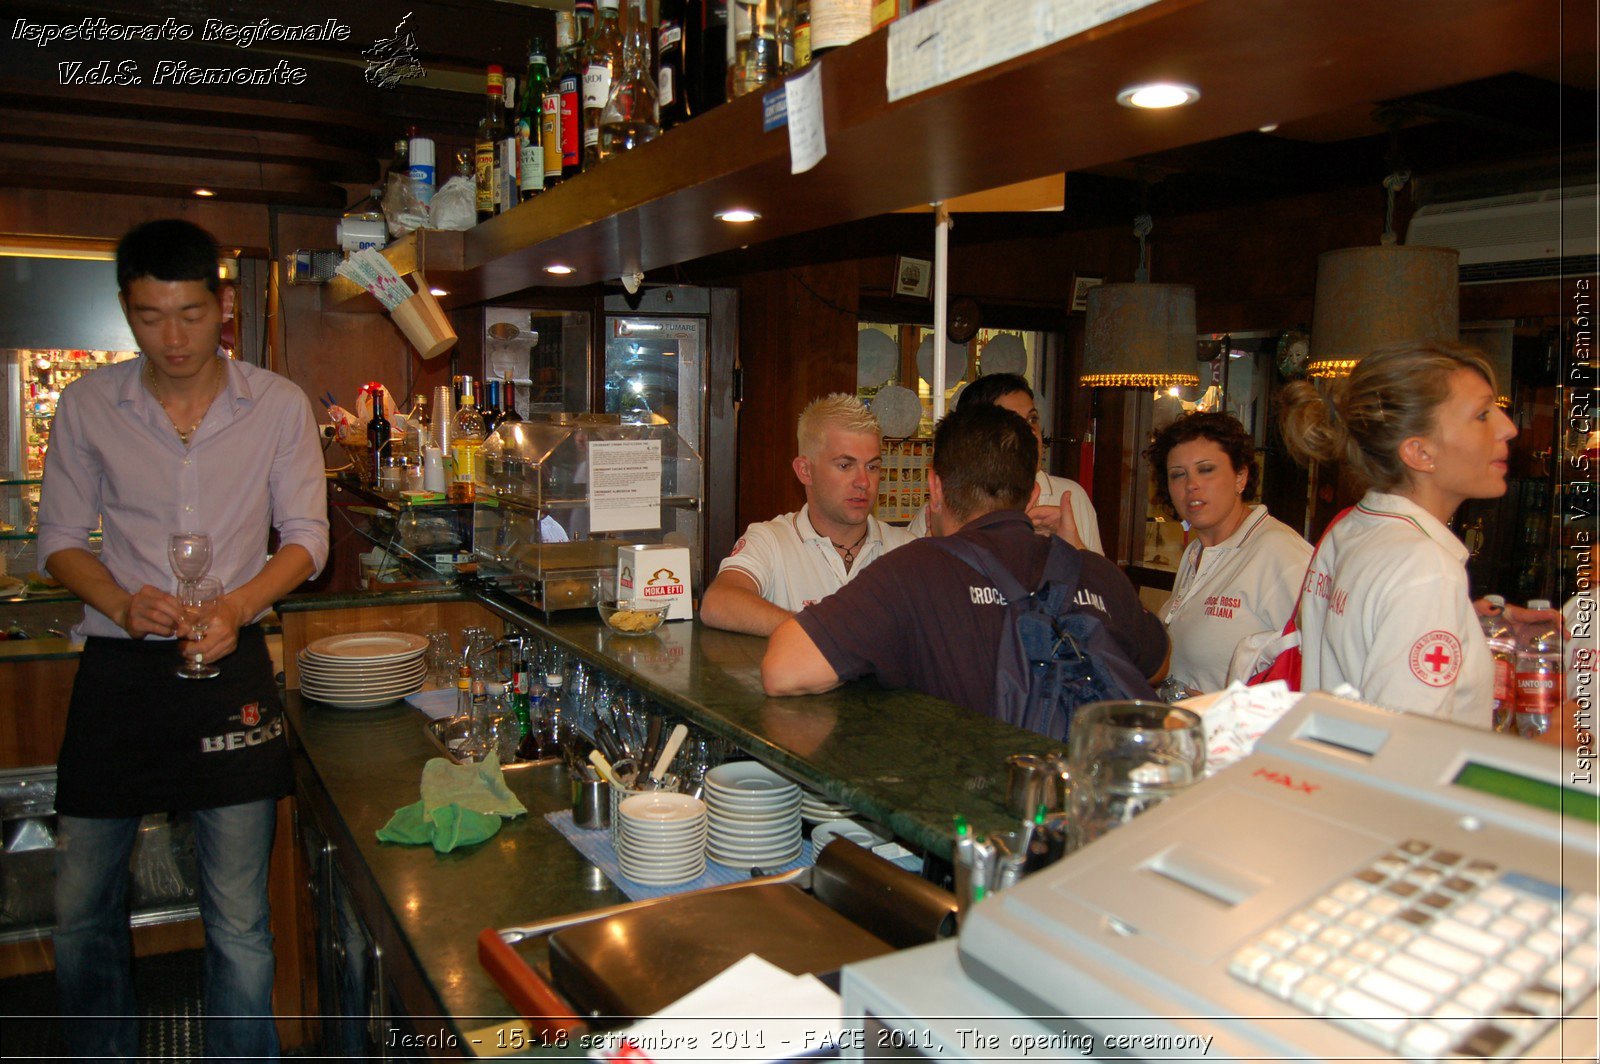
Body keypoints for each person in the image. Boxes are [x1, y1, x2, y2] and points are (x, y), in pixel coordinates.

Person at [38, 219, 329, 1059]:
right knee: (81, 906)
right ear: (127, 311)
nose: (172, 337)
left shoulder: (276, 404)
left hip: (229, 660)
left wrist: (238, 604)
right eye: (150, 316)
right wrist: (122, 601)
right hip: (120, 670)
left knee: (237, 916)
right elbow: (57, 536)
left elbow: (308, 537)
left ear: (223, 305)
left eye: (191, 314)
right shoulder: (91, 404)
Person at [762, 404, 1167, 722]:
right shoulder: (1095, 570)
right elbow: (1159, 662)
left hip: (968, 816)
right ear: (1030, 497)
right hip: (1093, 811)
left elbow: (785, 669)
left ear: (934, 488)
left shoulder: (914, 569)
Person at [1278, 340, 1516, 726]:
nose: (1508, 428)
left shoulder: (1351, 528)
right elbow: (1401, 750)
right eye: (1483, 415)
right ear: (1420, 452)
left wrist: (1464, 621)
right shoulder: (1426, 570)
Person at [700, 394, 913, 635]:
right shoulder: (771, 541)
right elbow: (718, 603)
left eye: (872, 467)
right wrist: (826, 632)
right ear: (805, 471)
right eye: (845, 465)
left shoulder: (908, 549)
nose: (864, 482)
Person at [1145, 412, 1311, 692]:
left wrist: (1225, 707)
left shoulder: (1280, 552)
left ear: (1241, 477)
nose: (1191, 484)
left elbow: (1317, 667)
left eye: (1206, 469)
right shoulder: (1196, 552)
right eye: (1178, 474)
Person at [905, 372, 1103, 553]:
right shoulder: (940, 510)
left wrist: (1074, 548)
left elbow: (1099, 588)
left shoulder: (1070, 498)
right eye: (1015, 422)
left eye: (1033, 419)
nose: (1030, 432)